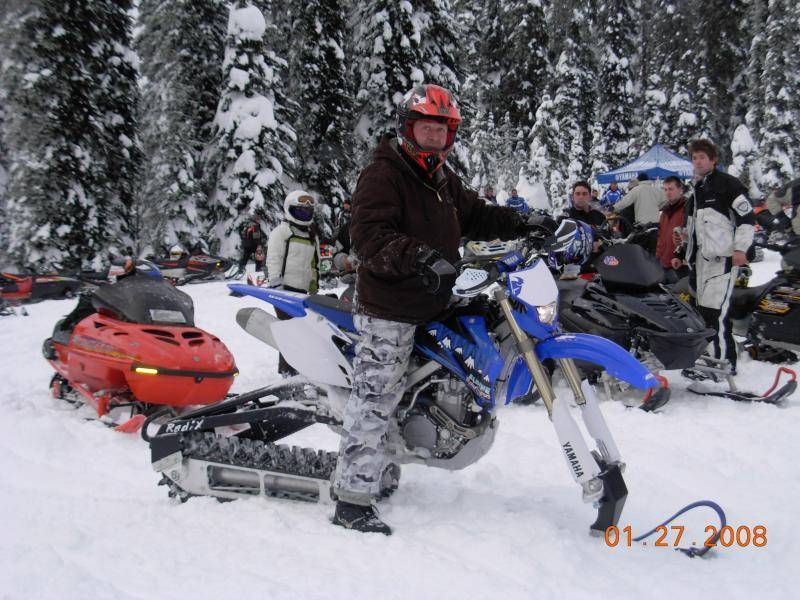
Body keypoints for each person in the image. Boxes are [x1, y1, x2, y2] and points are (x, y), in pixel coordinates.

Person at [332, 83, 528, 535]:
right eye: (426, 129)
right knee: (377, 395)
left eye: (442, 131)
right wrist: (419, 256)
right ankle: (352, 497)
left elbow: (476, 214)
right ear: (408, 130)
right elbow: (369, 237)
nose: (434, 139)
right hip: (390, 307)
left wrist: (525, 221)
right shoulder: (384, 175)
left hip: (434, 300)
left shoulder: (439, 177)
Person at [684, 138, 755, 372]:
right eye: (694, 158)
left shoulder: (728, 185)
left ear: (713, 160)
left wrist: (740, 249)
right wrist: (682, 250)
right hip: (701, 263)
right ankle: (710, 360)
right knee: (703, 314)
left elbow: (746, 219)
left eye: (702, 157)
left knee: (716, 314)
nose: (697, 162)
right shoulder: (697, 190)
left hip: (723, 261)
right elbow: (695, 229)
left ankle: (725, 364)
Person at [266, 190, 320, 376]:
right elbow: (273, 259)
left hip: (304, 293)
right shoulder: (282, 232)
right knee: (290, 333)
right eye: (300, 211)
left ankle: (303, 368)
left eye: (308, 212)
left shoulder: (311, 235)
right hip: (285, 291)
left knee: (304, 332)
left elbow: (315, 263)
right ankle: (287, 372)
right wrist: (276, 285)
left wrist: (314, 286)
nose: (305, 215)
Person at [611, 173, 665, 252]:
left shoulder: (636, 190)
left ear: (639, 180)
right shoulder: (657, 190)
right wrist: (658, 207)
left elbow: (625, 201)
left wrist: (614, 208)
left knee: (642, 250)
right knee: (654, 248)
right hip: (656, 224)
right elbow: (665, 200)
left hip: (642, 225)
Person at [656, 176, 688, 281]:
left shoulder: (687, 209)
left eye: (671, 189)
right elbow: (661, 235)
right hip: (663, 262)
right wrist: (658, 255)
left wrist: (682, 257)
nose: (668, 192)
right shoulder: (665, 211)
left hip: (679, 264)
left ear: (680, 190)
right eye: (665, 189)